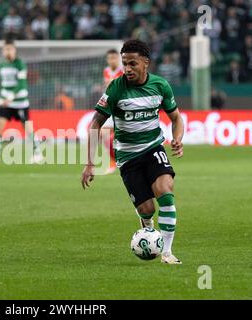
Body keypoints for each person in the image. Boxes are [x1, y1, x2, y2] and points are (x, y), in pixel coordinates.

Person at [81, 40, 184, 264]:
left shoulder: (160, 86)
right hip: (127, 157)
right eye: (125, 63)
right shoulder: (116, 88)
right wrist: (90, 163)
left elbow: (176, 118)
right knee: (146, 209)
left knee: (165, 191)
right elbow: (95, 124)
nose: (127, 68)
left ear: (145, 63)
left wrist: (177, 138)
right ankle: (148, 230)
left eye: (132, 63)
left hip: (153, 148)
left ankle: (166, 252)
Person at [0, 38, 42, 164]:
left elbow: (22, 84)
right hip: (6, 102)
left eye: (9, 49)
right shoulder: (2, 64)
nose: (7, 51)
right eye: (5, 49)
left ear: (14, 50)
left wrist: (10, 97)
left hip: (20, 102)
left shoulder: (20, 63)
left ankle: (38, 153)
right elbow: (3, 83)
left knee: (27, 128)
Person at [101, 49, 124, 174]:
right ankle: (112, 161)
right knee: (104, 134)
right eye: (110, 58)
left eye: (114, 58)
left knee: (121, 136)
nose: (112, 60)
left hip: (122, 108)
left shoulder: (123, 71)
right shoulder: (106, 71)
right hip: (110, 106)